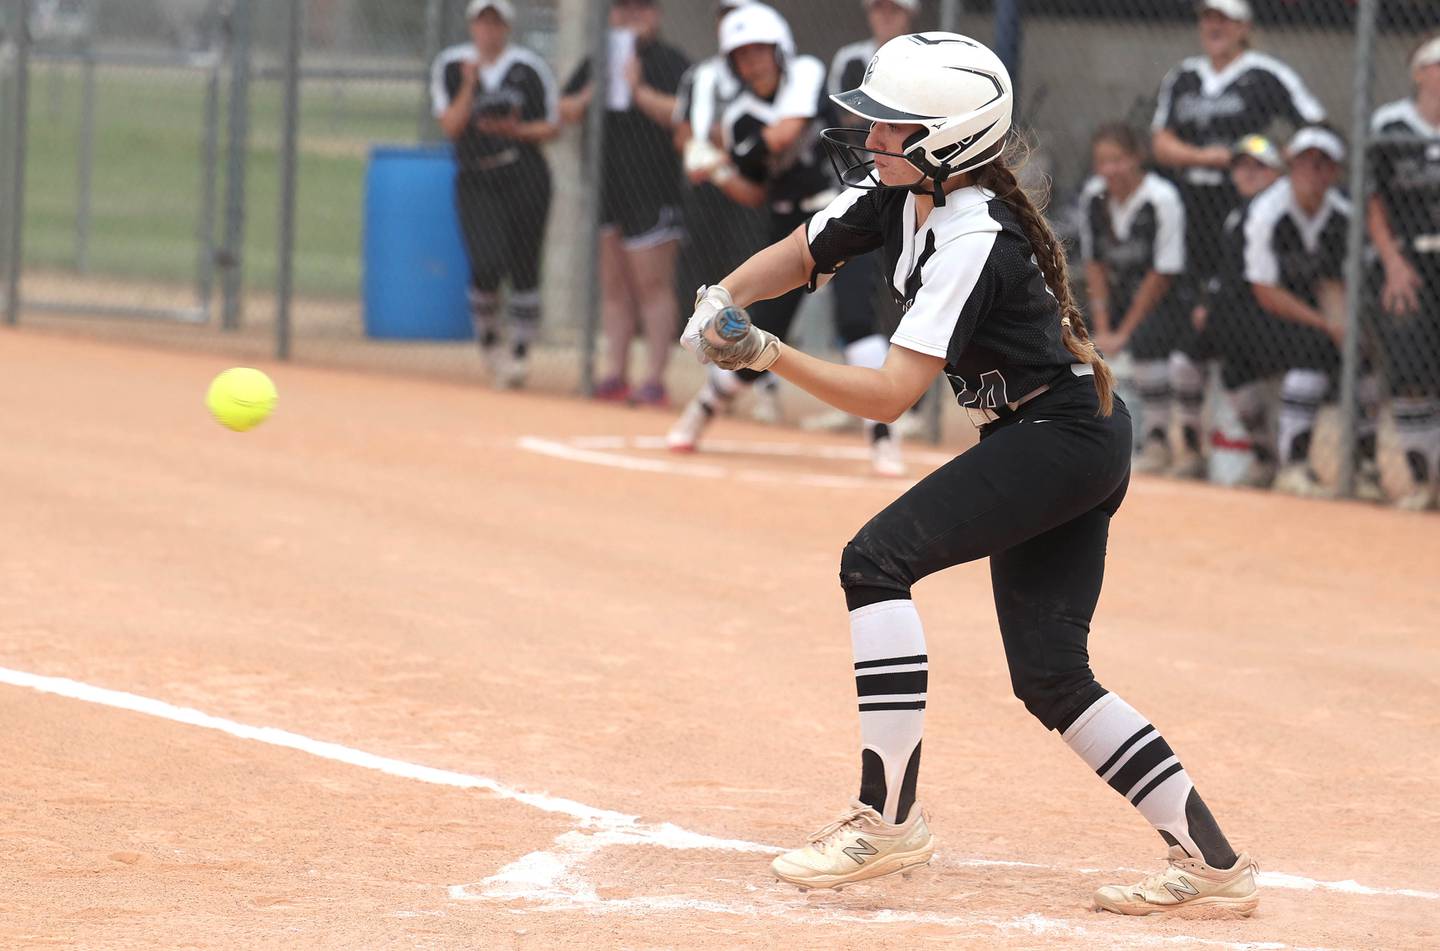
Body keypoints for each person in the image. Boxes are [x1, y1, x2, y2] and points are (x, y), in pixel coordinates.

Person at [681, 32, 1258, 915]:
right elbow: (801, 253)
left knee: (874, 560)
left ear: (946, 143)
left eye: (891, 128)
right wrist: (722, 297)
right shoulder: (899, 195)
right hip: (1058, 436)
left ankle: (886, 818)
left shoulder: (971, 236)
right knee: (1053, 677)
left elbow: (889, 396)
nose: (872, 138)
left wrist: (765, 351)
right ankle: (1215, 865)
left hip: (1061, 438)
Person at [668, 4, 905, 478]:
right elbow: (753, 191)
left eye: (760, 51)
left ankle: (882, 439)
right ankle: (702, 410)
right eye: (742, 55)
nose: (753, 62)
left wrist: (723, 152)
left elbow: (785, 133)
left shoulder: (806, 74)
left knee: (856, 319)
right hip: (786, 228)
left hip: (841, 216)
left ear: (779, 50)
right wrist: (716, 169)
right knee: (756, 345)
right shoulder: (739, 118)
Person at [1151, 0, 1326, 464]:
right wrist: (1209, 158)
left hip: (1243, 205)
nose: (1214, 26)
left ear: (1245, 27)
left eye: (1224, 19)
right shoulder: (1184, 76)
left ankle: (1259, 450)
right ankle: (1190, 449)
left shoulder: (1266, 74)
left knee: (1228, 314)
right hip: (1192, 206)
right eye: (1208, 18)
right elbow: (1161, 142)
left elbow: (1315, 129)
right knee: (1190, 320)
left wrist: (1270, 167)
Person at [803, 0, 924, 451]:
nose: (884, 17)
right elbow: (846, 121)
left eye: (894, 11)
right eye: (878, 9)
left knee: (911, 295)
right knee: (853, 302)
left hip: (915, 194)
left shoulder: (922, 62)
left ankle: (898, 402)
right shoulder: (852, 59)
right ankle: (869, 404)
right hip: (865, 191)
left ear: (910, 15)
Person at [559, 0, 690, 408]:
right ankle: (614, 372)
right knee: (614, 288)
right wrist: (594, 90)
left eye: (642, 8)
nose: (632, 16)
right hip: (607, 190)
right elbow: (565, 109)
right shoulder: (601, 56)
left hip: (654, 190)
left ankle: (654, 378)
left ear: (656, 15)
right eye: (623, 8)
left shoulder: (671, 62)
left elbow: (684, 114)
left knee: (653, 287)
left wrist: (638, 91)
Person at [1241, 126, 1382, 499]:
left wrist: (1343, 329)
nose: (1311, 171)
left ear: (1334, 172)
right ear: (1292, 165)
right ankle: (1293, 465)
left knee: (1362, 359)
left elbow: (1334, 283)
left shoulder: (1341, 217)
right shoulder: (1268, 211)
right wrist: (1327, 325)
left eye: (1322, 164)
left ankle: (1366, 466)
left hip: (1319, 313)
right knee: (1313, 353)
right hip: (1261, 313)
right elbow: (1266, 291)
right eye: (1304, 162)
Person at [431, 0, 558, 389]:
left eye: (496, 23)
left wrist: (512, 130)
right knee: (486, 261)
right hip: (476, 178)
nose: (489, 31)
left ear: (507, 27)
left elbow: (551, 126)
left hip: (524, 173)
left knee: (524, 263)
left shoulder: (529, 68)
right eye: (482, 23)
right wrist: (471, 84)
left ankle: (520, 351)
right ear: (472, 26)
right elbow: (451, 126)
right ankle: (488, 338)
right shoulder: (452, 66)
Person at [1078, 123, 1191, 475]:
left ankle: (1155, 441)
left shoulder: (1161, 198)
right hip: (1114, 301)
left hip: (1163, 301)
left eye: (1118, 160)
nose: (1109, 170)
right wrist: (1102, 325)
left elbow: (1162, 274)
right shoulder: (1094, 195)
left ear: (1137, 158)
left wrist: (1123, 332)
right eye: (1102, 161)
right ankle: (1088, 439)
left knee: (1145, 342)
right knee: (1076, 341)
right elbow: (1094, 264)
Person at [1368, 34, 1440, 511]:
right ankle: (1420, 482)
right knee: (1413, 371)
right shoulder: (1390, 124)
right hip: (1408, 263)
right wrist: (1393, 262)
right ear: (1419, 73)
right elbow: (1375, 203)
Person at [1191, 134, 1288, 487]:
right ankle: (1190, 451)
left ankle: (1269, 456)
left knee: (1225, 354)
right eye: (1241, 166)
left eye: (1258, 166)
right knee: (1190, 359)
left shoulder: (1277, 208)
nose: (1248, 173)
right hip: (1237, 314)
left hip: (1264, 315)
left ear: (1277, 172)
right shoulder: (1238, 213)